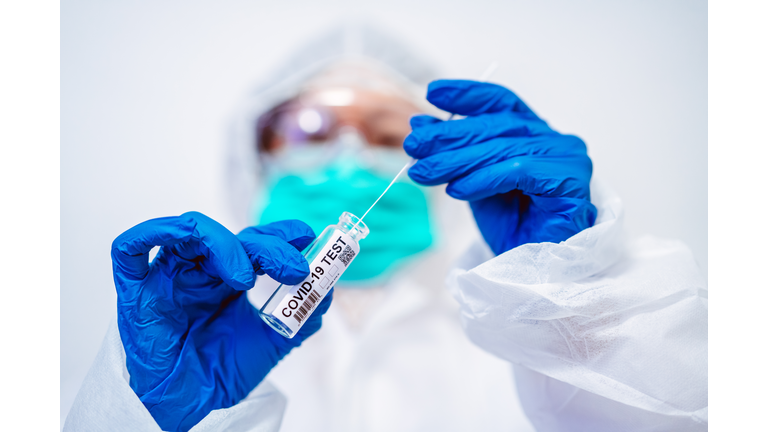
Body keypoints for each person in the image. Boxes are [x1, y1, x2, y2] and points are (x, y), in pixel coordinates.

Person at [63, 24, 707, 432]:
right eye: (311, 129)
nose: (349, 155)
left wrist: (574, 296)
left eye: (385, 130)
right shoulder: (189, 348)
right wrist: (146, 422)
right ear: (254, 156)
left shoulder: (520, 340)